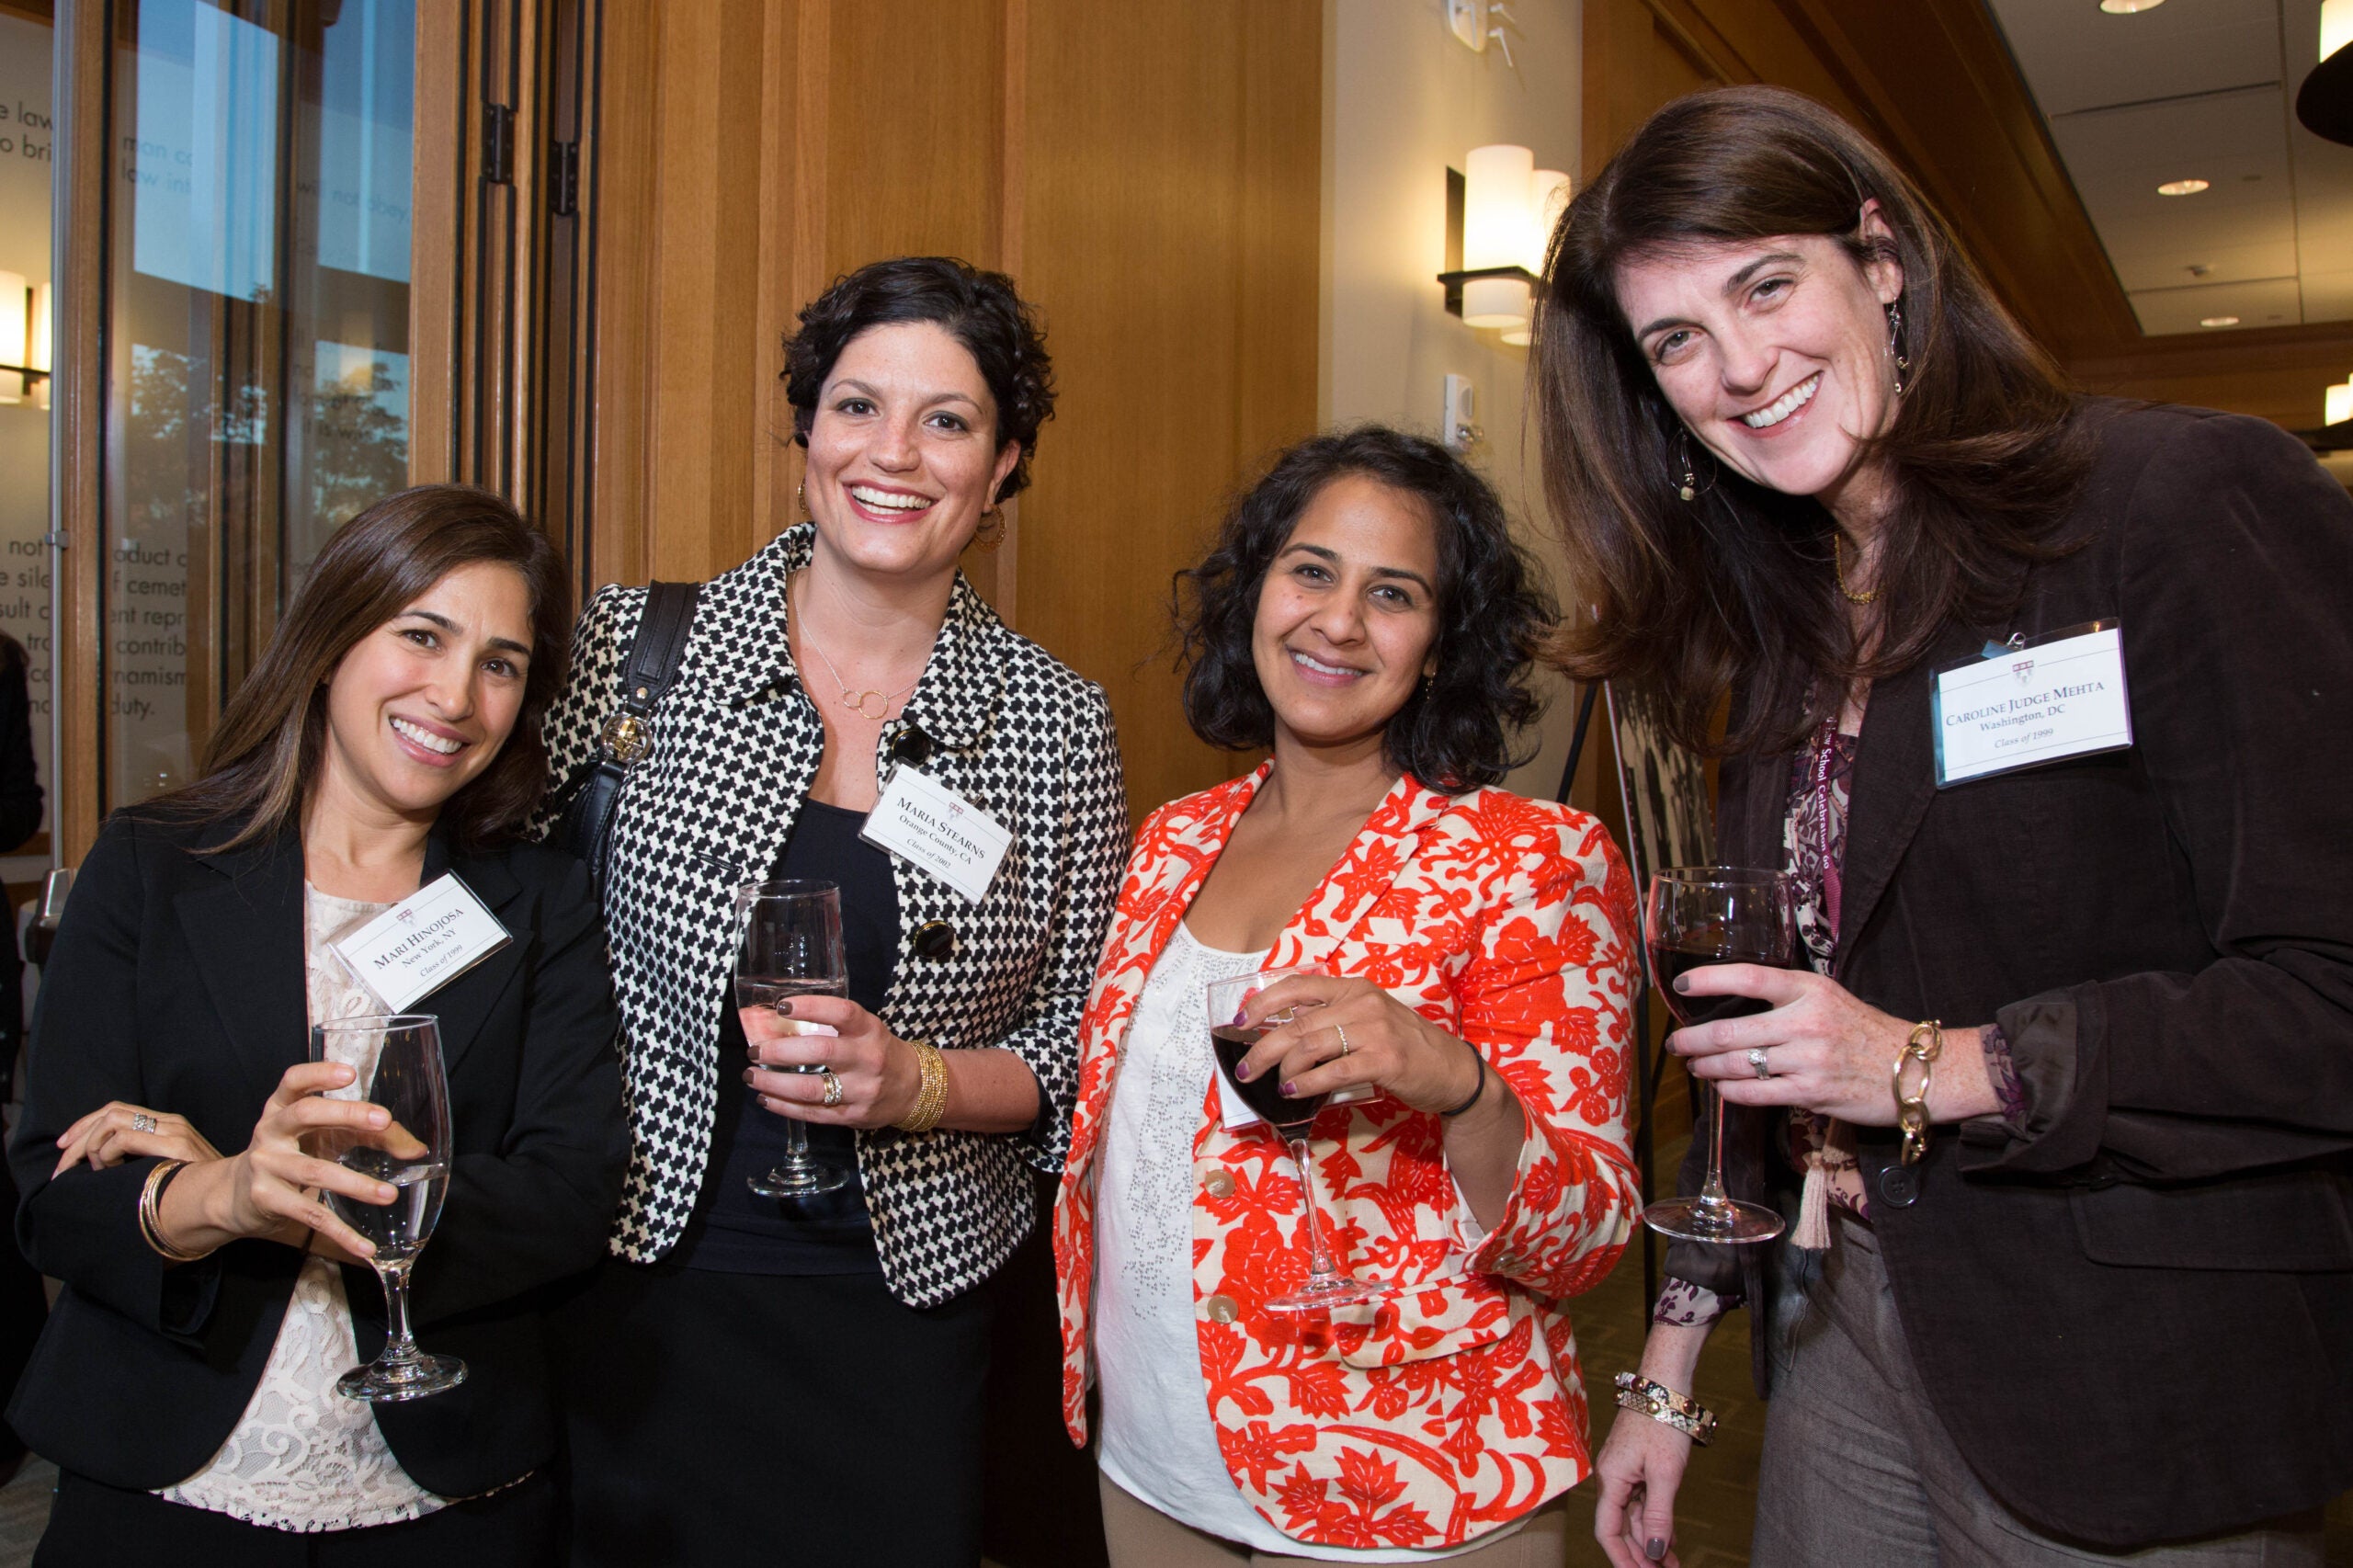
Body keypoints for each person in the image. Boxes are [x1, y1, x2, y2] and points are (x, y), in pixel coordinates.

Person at [1533, 85, 2353, 1568]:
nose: (1740, 369)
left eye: (1767, 285)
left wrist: (1930, 1063)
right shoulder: (1784, 628)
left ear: (1883, 258)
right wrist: (1669, 1362)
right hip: (1843, 1324)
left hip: (2125, 1367)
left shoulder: (2166, 502)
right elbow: (1756, 1035)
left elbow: (2329, 988)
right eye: (1677, 343)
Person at [540, 255, 1130, 1567]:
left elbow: (1089, 1050)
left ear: (1006, 460)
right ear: (805, 428)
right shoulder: (640, 651)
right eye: (858, 405)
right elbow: (502, 917)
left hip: (903, 1313)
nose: (895, 454)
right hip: (632, 1284)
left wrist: (919, 1081)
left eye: (949, 420)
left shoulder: (1056, 724)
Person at [1053, 427, 1644, 1564]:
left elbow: (1588, 1236)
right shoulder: (1173, 839)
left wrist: (1459, 1085)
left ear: (1440, 643)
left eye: (1393, 593)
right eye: (1310, 570)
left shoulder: (1529, 859)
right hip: (1153, 1454)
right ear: (1257, 591)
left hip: (1410, 1476)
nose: (1336, 619)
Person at [9, 486, 627, 1565]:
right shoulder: (155, 865)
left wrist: (293, 1201)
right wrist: (224, 1191)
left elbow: (570, 1194)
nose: (456, 694)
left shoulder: (540, 902)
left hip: (451, 1494)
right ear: (335, 636)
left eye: (500, 662)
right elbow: (56, 1188)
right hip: (165, 1478)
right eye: (421, 635)